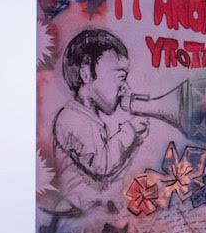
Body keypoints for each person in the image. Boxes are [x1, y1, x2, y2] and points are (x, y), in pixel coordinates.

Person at [52, 28, 149, 208]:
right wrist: (130, 132)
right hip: (76, 216)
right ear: (86, 74)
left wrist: (135, 143)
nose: (126, 88)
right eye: (120, 77)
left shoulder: (89, 119)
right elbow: (102, 166)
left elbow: (107, 179)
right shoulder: (70, 118)